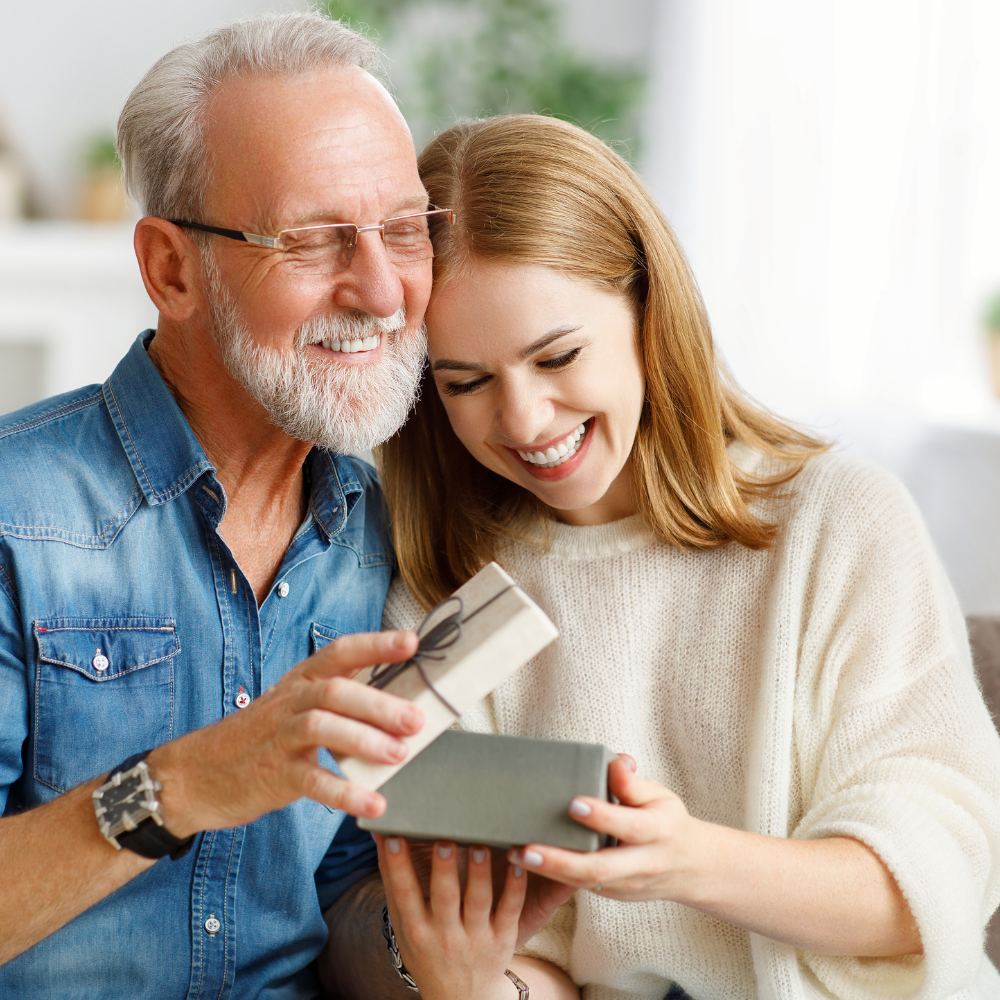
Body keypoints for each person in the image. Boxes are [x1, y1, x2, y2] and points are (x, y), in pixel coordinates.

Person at [359, 114, 1000, 999]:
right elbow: (544, 951)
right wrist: (476, 987)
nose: (524, 422)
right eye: (464, 383)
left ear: (648, 309)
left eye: (558, 356)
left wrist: (684, 861)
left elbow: (934, 887)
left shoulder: (837, 520)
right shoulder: (449, 592)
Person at [0, 12, 444, 997]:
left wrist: (433, 944)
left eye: (405, 230)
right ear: (170, 269)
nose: (380, 289)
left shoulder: (378, 534)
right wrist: (181, 786)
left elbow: (333, 908)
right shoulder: (11, 513)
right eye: (313, 240)